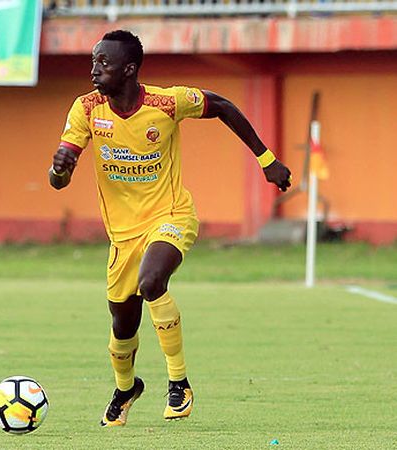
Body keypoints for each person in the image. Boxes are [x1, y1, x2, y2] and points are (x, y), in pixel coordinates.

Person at [48, 30, 291, 427]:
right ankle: (126, 388)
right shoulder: (86, 109)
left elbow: (224, 106)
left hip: (171, 216)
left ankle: (179, 382)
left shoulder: (167, 102)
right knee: (122, 326)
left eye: (103, 64)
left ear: (129, 70)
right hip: (123, 236)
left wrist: (267, 160)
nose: (93, 71)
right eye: (92, 62)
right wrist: (59, 169)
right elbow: (58, 178)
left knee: (152, 281)